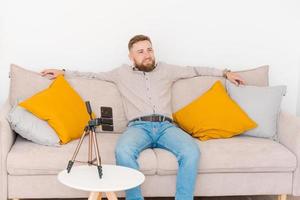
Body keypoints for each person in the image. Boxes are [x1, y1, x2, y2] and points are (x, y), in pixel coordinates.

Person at [41, 35, 244, 200]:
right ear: (131, 57)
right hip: (138, 127)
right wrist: (64, 72)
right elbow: (92, 75)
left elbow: (197, 70)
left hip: (167, 127)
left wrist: (225, 73)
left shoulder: (167, 69)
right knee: (123, 150)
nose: (147, 55)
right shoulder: (120, 73)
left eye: (149, 50)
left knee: (191, 151)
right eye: (141, 52)